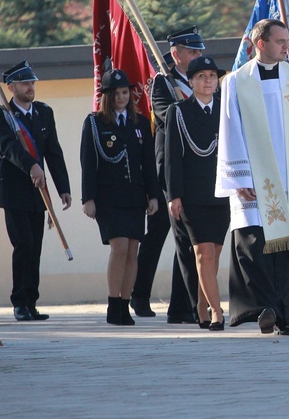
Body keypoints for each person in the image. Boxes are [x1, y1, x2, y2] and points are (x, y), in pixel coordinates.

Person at [215, 19, 289, 336]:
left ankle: (283, 316)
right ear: (260, 44)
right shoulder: (236, 82)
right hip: (254, 180)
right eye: (280, 41)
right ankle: (265, 307)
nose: (287, 47)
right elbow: (230, 130)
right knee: (254, 246)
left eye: (287, 41)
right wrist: (240, 177)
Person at [80, 69, 160, 325]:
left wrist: (154, 195)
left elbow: (148, 163)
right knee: (119, 248)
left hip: (135, 195)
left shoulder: (139, 123)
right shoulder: (95, 123)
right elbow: (88, 162)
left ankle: (126, 303)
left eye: (125, 92)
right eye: (116, 93)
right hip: (108, 197)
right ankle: (113, 303)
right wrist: (88, 198)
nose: (122, 97)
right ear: (106, 96)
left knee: (132, 251)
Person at [0, 61, 71, 322]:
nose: (31, 87)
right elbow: (8, 148)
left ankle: (31, 302)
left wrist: (63, 188)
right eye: (25, 83)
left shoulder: (43, 113)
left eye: (32, 82)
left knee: (35, 245)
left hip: (39, 192)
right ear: (11, 87)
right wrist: (31, 167)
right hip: (14, 191)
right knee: (23, 243)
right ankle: (19, 301)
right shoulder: (1, 114)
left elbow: (54, 152)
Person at [138, 25, 204, 323]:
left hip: (197, 169)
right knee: (165, 235)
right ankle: (140, 293)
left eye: (200, 51)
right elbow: (169, 117)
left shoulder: (201, 83)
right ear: (175, 54)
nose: (198, 56)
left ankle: (182, 305)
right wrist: (190, 103)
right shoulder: (163, 85)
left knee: (191, 239)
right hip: (170, 171)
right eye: (192, 51)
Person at [165, 56, 230, 331]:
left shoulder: (226, 110)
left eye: (212, 76)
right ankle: (216, 311)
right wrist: (174, 195)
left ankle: (202, 307)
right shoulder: (179, 111)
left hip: (222, 192)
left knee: (213, 253)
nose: (208, 81)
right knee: (202, 252)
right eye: (201, 76)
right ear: (190, 82)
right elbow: (172, 156)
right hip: (192, 194)